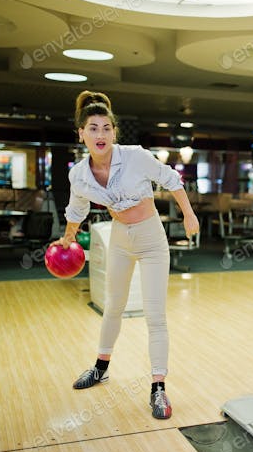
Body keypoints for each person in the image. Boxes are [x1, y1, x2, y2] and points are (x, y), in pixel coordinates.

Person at [52, 90, 199, 420]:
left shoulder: (135, 156)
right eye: (93, 128)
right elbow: (76, 210)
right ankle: (101, 367)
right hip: (119, 237)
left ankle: (158, 387)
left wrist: (189, 214)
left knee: (154, 314)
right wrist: (67, 239)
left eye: (106, 128)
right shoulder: (78, 174)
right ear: (81, 134)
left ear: (114, 132)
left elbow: (172, 179)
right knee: (112, 306)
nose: (100, 134)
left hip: (150, 238)